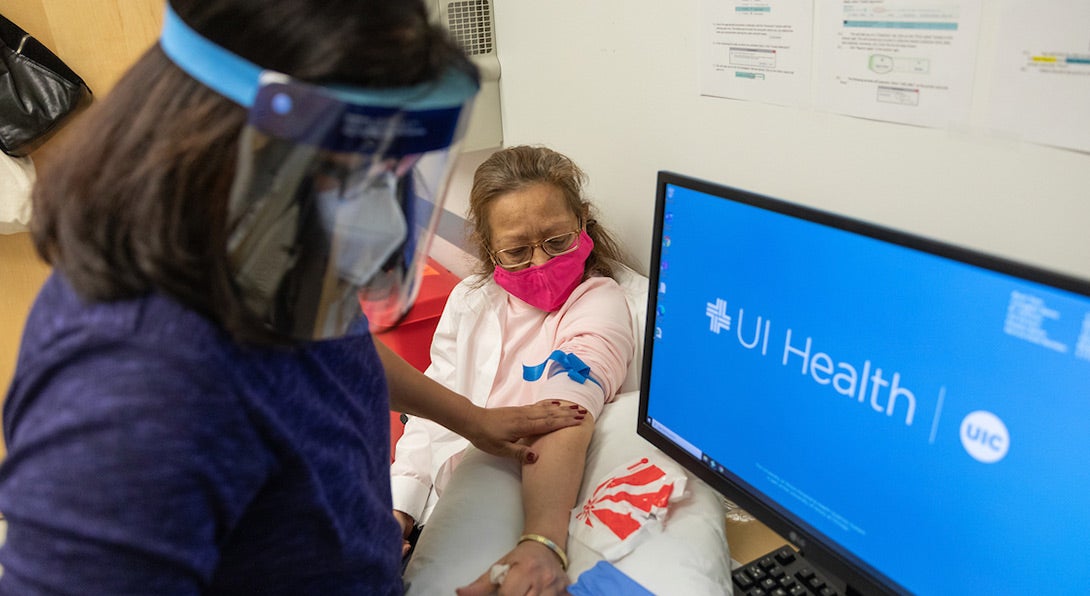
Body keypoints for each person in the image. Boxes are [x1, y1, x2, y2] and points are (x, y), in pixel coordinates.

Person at [0, 2, 583, 594]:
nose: (384, 225)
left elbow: (338, 344)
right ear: (213, 148)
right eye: (348, 178)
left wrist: (473, 420)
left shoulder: (268, 254)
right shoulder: (130, 395)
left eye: (393, 174)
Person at [390, 145, 637, 595]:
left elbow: (565, 411)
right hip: (430, 508)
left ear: (583, 220)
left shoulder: (598, 301)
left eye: (557, 240)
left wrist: (542, 541)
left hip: (509, 511)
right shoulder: (471, 298)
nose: (540, 263)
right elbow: (430, 414)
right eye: (517, 251)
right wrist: (398, 510)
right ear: (489, 247)